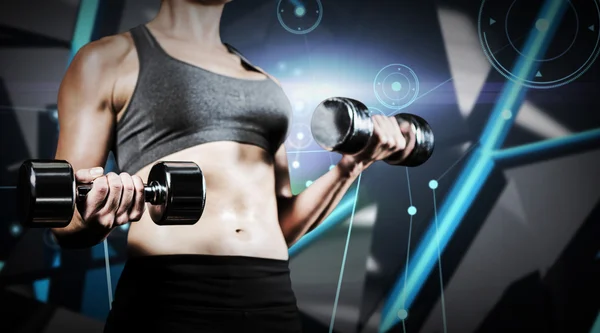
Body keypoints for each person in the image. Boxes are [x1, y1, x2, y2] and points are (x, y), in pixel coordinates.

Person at [52, 0, 415, 332]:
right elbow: (62, 216)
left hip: (270, 296)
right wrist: (91, 218)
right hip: (170, 294)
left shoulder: (266, 83)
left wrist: (351, 167)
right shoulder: (107, 59)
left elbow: (280, 223)